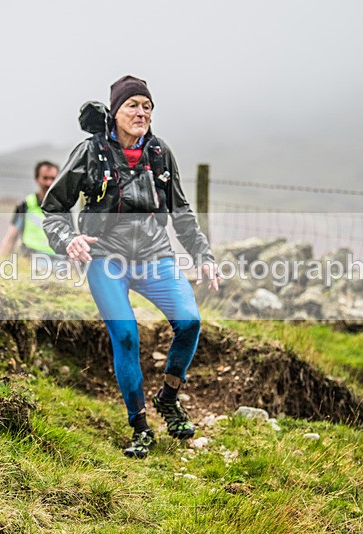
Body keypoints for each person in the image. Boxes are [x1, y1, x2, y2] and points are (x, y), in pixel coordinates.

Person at [42, 75, 219, 458]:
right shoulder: (91, 152)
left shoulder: (159, 153)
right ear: (115, 112)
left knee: (189, 322)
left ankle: (169, 398)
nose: (141, 112)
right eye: (133, 105)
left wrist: (202, 255)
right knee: (125, 336)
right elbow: (54, 209)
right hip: (106, 257)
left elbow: (181, 212)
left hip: (155, 256)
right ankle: (139, 426)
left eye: (147, 106)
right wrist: (67, 239)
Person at [0, 161, 61, 269]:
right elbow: (11, 238)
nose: (49, 183)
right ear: (37, 179)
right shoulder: (26, 205)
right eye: (45, 178)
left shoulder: (65, 208)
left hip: (59, 263)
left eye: (52, 178)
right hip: (32, 259)